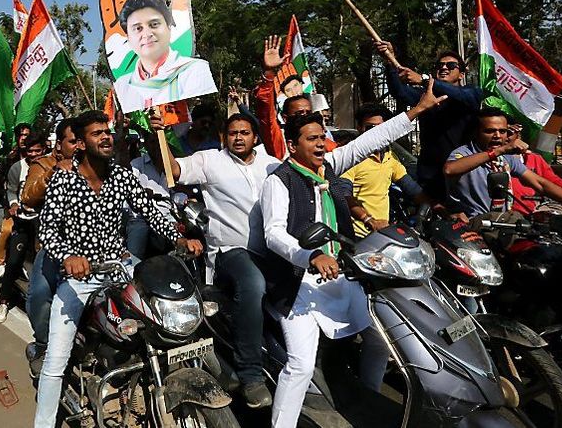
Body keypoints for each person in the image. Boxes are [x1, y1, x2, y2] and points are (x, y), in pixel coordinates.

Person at [261, 81, 446, 428]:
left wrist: (417, 111)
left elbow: (368, 142)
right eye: (310, 139)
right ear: (292, 144)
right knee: (300, 364)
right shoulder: (279, 180)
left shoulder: (329, 165)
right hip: (300, 286)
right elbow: (273, 234)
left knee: (381, 341)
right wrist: (310, 256)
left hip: (341, 277)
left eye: (321, 137)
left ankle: (367, 398)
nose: (319, 143)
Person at [33, 110, 203, 428]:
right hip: (79, 278)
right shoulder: (63, 180)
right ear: (81, 143)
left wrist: (180, 236)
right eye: (97, 133)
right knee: (56, 362)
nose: (106, 137)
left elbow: (150, 213)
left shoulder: (122, 176)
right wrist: (69, 257)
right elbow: (48, 232)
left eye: (108, 131)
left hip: (122, 266)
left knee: (165, 321)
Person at [159, 112, 281, 408]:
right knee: (253, 285)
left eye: (245, 132)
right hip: (230, 252)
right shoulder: (209, 160)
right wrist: (161, 133)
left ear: (255, 137)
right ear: (225, 137)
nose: (239, 137)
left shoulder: (272, 164)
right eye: (233, 133)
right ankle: (251, 375)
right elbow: (173, 170)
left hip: (274, 250)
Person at [443, 108, 562, 226]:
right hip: (474, 224)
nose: (498, 136)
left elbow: (541, 184)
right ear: (476, 132)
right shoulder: (464, 153)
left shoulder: (507, 159)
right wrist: (499, 151)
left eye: (502, 131)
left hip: (504, 222)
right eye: (490, 131)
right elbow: (450, 169)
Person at [375, 41, 483, 200]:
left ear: (461, 74)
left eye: (451, 65)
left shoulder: (470, 93)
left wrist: (424, 80)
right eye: (440, 65)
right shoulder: (425, 96)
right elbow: (400, 92)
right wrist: (389, 61)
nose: (444, 68)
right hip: (431, 176)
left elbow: (464, 97)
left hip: (462, 173)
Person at [13, 119, 80, 375]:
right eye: (72, 141)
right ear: (59, 145)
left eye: (80, 140)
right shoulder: (43, 164)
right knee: (39, 294)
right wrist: (54, 173)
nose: (78, 146)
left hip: (94, 245)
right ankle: (43, 345)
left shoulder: (92, 163)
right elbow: (28, 196)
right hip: (53, 244)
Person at [341, 102, 436, 235]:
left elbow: (411, 188)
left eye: (380, 128)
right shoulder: (350, 158)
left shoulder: (390, 156)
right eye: (369, 127)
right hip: (357, 235)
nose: (375, 132)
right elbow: (344, 194)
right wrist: (368, 220)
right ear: (359, 128)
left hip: (382, 233)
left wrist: (439, 208)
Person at [111, 0, 217, 112]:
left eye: (154, 24)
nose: (147, 34)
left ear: (169, 28)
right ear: (128, 39)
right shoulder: (123, 85)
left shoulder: (195, 70)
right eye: (138, 28)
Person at [254, 36, 335, 159]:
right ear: (285, 118)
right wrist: (269, 72)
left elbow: (352, 152)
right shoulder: (280, 141)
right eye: (299, 113)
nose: (304, 116)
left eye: (308, 112)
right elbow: (266, 111)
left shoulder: (324, 143)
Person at [0, 133, 47, 311]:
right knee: (15, 260)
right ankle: (4, 300)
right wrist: (14, 204)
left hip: (44, 221)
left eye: (37, 151)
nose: (33, 154)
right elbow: (11, 190)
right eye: (30, 151)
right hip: (22, 221)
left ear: (44, 149)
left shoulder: (51, 167)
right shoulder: (17, 168)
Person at [503, 122, 562, 215]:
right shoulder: (491, 160)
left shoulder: (533, 158)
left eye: (509, 132)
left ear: (518, 136)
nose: (503, 136)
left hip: (529, 215)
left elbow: (552, 182)